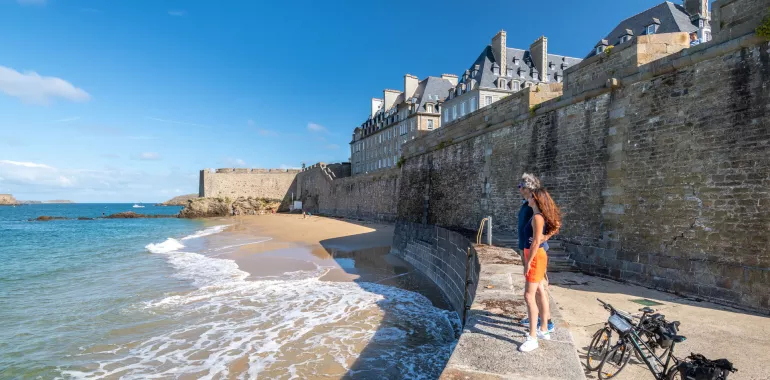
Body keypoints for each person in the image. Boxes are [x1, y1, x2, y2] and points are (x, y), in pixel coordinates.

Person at [519, 187, 562, 352]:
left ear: (536, 200)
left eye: (530, 197)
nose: (527, 199)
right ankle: (543, 329)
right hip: (538, 255)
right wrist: (546, 237)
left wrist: (528, 262)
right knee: (540, 292)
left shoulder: (537, 217)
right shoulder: (539, 216)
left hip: (535, 256)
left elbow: (536, 242)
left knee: (529, 296)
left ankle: (533, 338)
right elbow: (552, 229)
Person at [517, 174, 553, 334]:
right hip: (526, 248)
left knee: (539, 288)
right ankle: (538, 318)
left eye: (520, 186)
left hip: (536, 251)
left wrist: (544, 238)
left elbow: (554, 223)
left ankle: (547, 322)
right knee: (536, 287)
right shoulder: (528, 205)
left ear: (527, 189)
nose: (518, 189)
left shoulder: (537, 209)